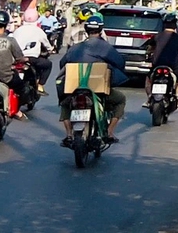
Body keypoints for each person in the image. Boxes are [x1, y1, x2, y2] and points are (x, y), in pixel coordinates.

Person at [55, 11, 128, 143]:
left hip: (75, 88)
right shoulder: (106, 47)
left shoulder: (75, 48)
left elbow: (62, 63)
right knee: (120, 99)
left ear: (86, 30)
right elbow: (120, 63)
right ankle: (110, 132)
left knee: (65, 103)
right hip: (98, 89)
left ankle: (69, 134)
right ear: (100, 30)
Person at [146, 14, 178, 107]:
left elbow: (150, 49)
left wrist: (149, 55)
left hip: (157, 64)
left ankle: (150, 97)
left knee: (149, 79)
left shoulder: (157, 36)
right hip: (172, 66)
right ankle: (176, 98)